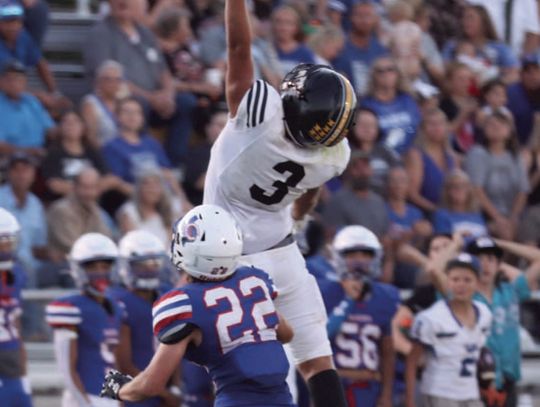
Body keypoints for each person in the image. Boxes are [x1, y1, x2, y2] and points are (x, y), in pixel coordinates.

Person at [201, 0, 357, 405]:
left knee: (236, 376)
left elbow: (238, 49)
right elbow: (308, 187)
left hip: (232, 264)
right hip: (285, 256)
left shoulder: (258, 117)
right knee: (317, 364)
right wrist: (300, 222)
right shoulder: (332, 155)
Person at [100, 204, 295, 406]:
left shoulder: (184, 303)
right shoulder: (255, 281)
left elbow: (152, 384)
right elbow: (286, 334)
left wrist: (121, 389)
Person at [323, 225, 399, 407]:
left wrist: (386, 394)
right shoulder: (324, 291)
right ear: (338, 257)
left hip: (369, 387)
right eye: (351, 254)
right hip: (333, 386)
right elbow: (319, 339)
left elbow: (387, 351)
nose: (359, 261)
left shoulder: (385, 295)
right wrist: (348, 300)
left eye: (366, 254)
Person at [46, 233, 123, 407]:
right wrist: (84, 403)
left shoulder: (114, 305)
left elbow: (112, 359)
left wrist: (118, 399)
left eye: (104, 266)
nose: (99, 273)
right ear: (78, 269)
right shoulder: (70, 307)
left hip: (108, 397)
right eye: (92, 268)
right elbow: (67, 369)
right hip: (84, 396)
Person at [405, 253, 492, 407]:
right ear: (448, 281)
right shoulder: (431, 318)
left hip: (470, 391)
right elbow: (412, 361)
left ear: (478, 283)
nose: (461, 285)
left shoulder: (484, 313)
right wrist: (410, 401)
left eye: (467, 280)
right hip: (440, 392)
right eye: (455, 279)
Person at [108, 230, 181, 407]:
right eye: (142, 265)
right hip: (133, 389)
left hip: (163, 387)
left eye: (154, 263)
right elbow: (123, 363)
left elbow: (177, 346)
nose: (149, 269)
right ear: (126, 266)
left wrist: (176, 389)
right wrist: (164, 393)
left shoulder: (166, 294)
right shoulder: (117, 301)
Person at [0, 208, 32, 407]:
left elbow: (15, 319)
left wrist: (23, 364)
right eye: (0, 243)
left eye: (8, 242)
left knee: (20, 400)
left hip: (10, 352)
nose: (5, 249)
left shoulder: (15, 273)